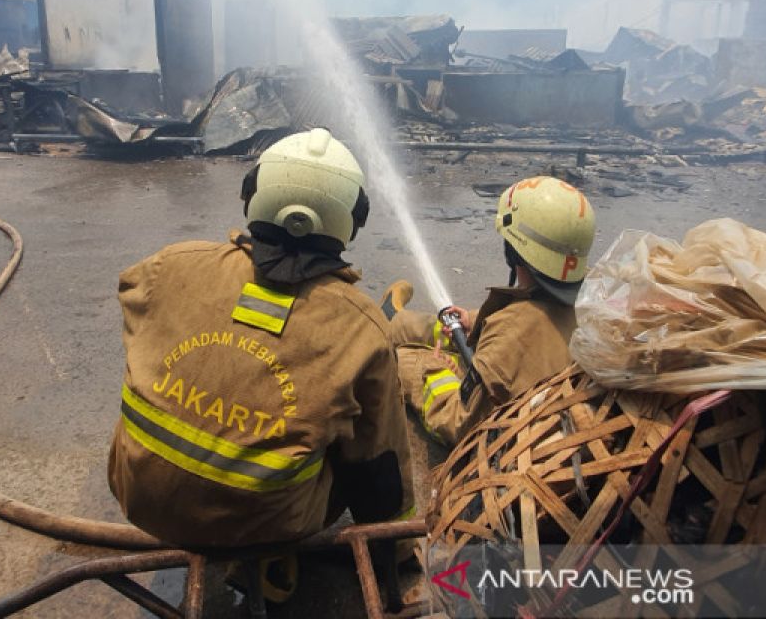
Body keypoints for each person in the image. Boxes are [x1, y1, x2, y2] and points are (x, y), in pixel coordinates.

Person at [108, 128, 415, 562]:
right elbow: (378, 463)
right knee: (353, 440)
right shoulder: (361, 326)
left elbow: (133, 310)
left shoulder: (172, 264)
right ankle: (274, 564)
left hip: (140, 496)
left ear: (253, 193)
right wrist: (395, 551)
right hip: (268, 530)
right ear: (351, 220)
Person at [387, 175, 596, 447]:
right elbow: (529, 320)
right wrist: (474, 319)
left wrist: (436, 370)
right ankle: (395, 320)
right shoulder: (590, 297)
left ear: (514, 251)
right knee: (442, 326)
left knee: (402, 356)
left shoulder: (510, 332)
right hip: (515, 359)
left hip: (490, 408)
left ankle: (382, 336)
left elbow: (458, 424)